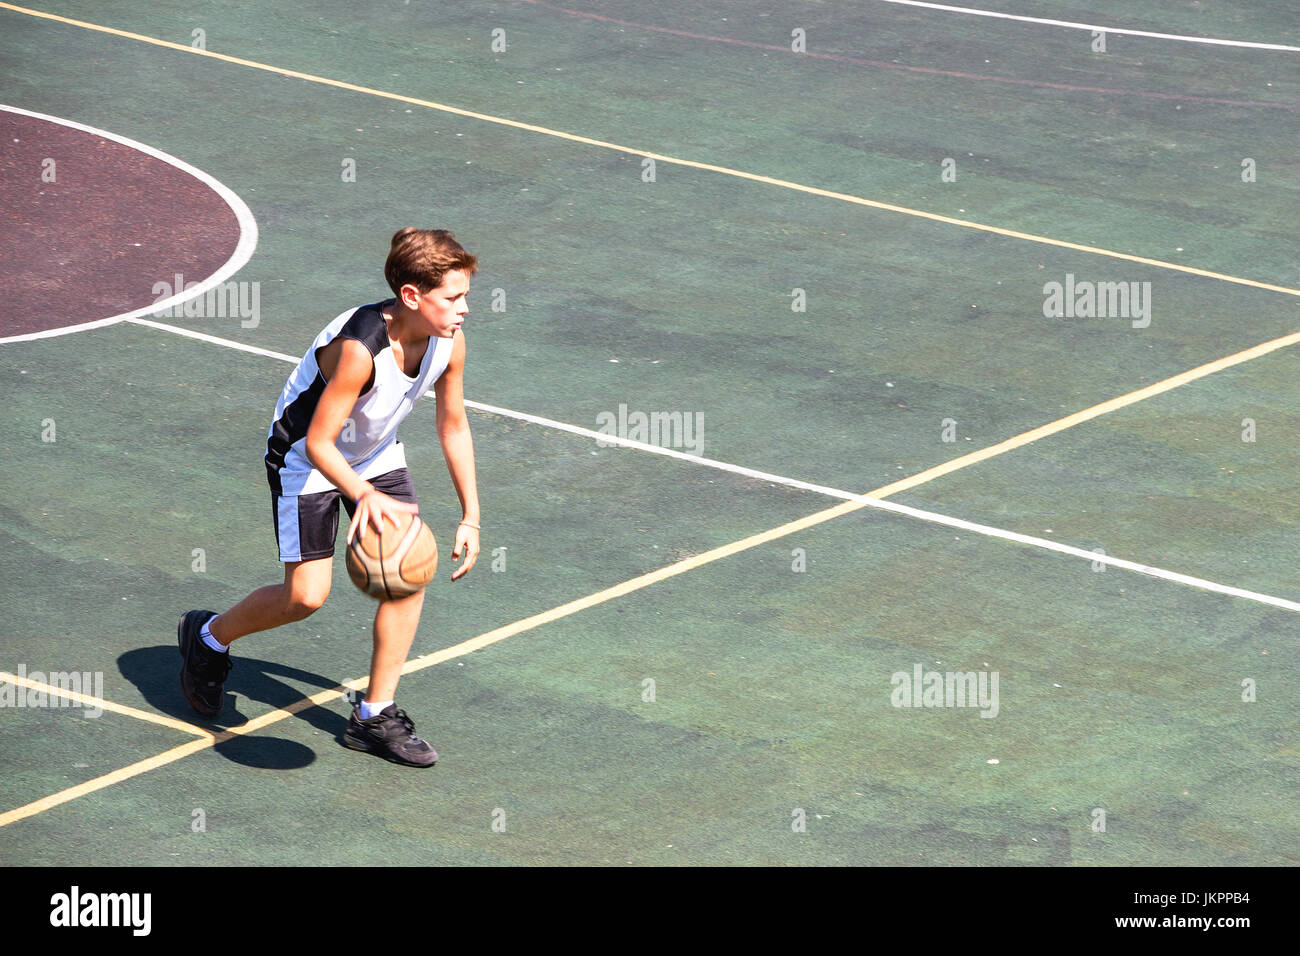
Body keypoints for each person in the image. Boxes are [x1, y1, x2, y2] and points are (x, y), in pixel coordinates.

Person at [177, 228, 482, 767]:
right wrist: (363, 495)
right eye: (453, 297)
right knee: (306, 597)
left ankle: (373, 716)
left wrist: (471, 515)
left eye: (465, 295)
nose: (465, 309)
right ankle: (207, 638)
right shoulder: (360, 350)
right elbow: (319, 441)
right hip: (305, 457)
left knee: (405, 575)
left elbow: (453, 423)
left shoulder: (449, 342)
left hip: (375, 450)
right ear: (412, 296)